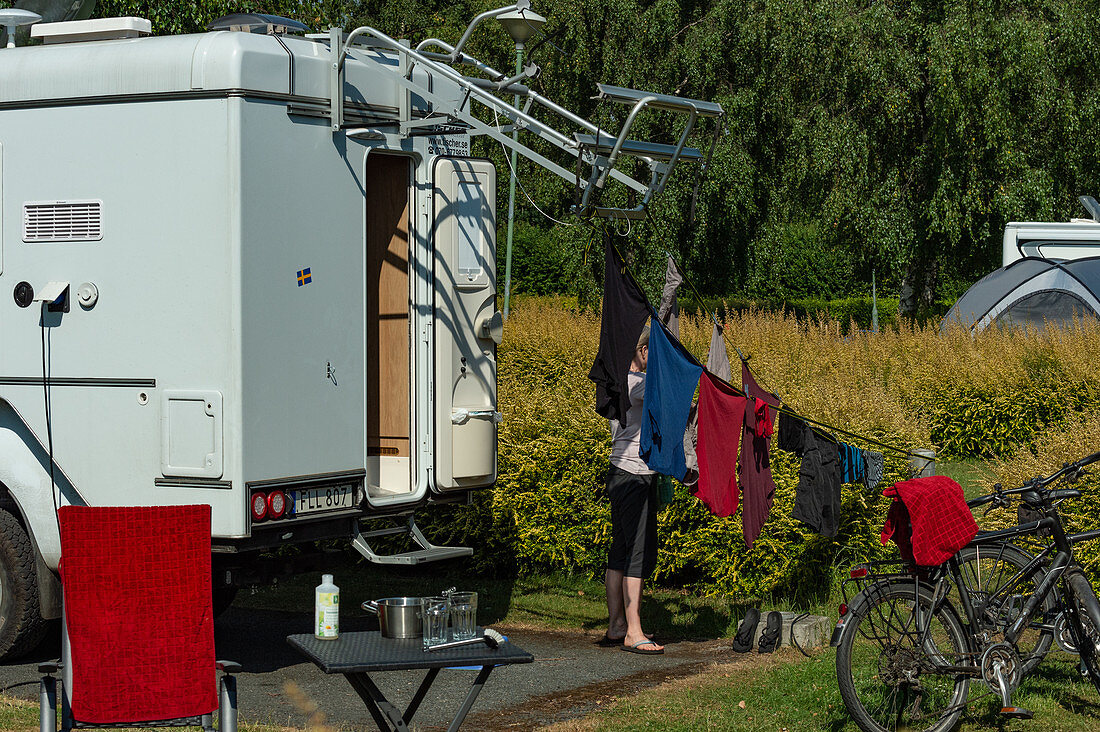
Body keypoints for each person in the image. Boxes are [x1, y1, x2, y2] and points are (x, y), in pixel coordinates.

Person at [603, 324, 664, 654]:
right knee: (638, 553)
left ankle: (617, 625)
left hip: (619, 472)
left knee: (621, 551)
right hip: (635, 475)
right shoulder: (637, 384)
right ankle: (634, 631)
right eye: (652, 352)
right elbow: (666, 392)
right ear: (642, 352)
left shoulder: (618, 383)